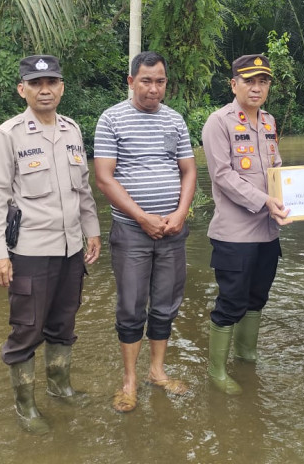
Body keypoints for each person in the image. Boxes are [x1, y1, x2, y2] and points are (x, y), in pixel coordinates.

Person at [0, 55, 101, 434]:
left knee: (63, 322)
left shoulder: (72, 129)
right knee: (26, 328)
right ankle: (25, 406)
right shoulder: (8, 134)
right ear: (23, 89)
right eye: (36, 83)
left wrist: (93, 230)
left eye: (51, 82)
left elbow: (82, 188)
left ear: (62, 87)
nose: (45, 89)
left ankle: (60, 385)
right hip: (30, 250)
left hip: (70, 250)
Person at [94, 51, 196, 413]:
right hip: (131, 232)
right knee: (131, 305)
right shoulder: (112, 120)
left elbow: (188, 171)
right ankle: (129, 381)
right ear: (131, 81)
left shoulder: (175, 120)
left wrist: (181, 213)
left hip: (172, 229)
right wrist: (142, 217)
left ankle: (156, 371)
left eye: (160, 81)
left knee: (166, 303)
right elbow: (105, 178)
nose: (154, 88)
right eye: (146, 81)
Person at [201, 54, 291, 395]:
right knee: (232, 301)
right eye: (249, 80)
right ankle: (216, 371)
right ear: (234, 83)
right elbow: (222, 176)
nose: (257, 87)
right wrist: (265, 201)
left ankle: (247, 354)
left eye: (263, 81)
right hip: (235, 234)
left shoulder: (268, 121)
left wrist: (289, 198)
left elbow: (277, 169)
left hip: (268, 232)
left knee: (257, 297)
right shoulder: (218, 122)